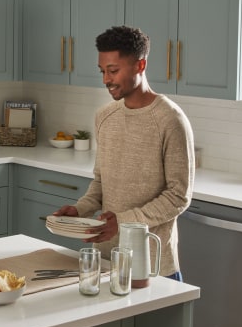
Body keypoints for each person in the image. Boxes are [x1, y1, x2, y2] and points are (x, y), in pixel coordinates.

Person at [54, 26, 194, 280]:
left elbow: (178, 196)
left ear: (140, 65)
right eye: (102, 71)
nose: (106, 79)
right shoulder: (104, 116)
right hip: (106, 260)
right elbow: (101, 182)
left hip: (152, 266)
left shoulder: (170, 119)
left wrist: (122, 222)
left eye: (113, 70)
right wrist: (80, 210)